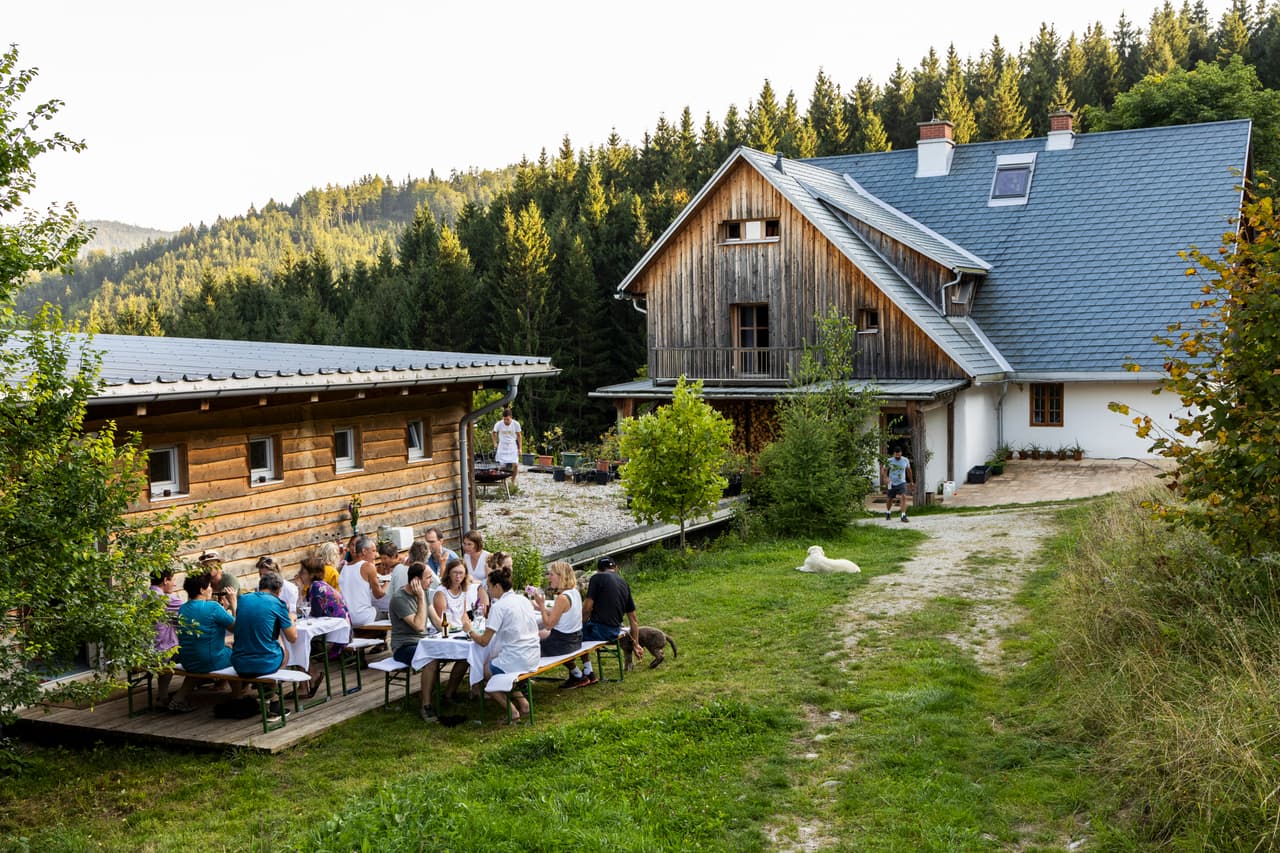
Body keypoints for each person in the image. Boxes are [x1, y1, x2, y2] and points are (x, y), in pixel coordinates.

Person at [461, 564, 541, 724]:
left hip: (518, 658)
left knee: (485, 671)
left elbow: (484, 641)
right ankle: (524, 704)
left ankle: (512, 711)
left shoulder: (499, 606)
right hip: (534, 654)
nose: (488, 591)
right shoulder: (523, 599)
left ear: (497, 586)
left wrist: (469, 630)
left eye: (489, 587)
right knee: (500, 669)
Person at [230, 572, 298, 713]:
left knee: (264, 640)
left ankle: (260, 694)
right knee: (282, 648)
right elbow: (293, 637)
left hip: (239, 663)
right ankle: (273, 701)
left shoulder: (243, 599)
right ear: (278, 590)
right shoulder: (278, 603)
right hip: (264, 664)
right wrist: (291, 619)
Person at [168, 572, 235, 712]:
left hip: (188, 660)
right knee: (237, 653)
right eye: (209, 586)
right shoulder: (213, 607)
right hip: (209, 661)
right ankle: (237, 696)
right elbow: (237, 629)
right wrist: (234, 604)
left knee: (206, 653)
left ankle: (178, 699)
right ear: (201, 590)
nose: (211, 589)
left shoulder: (182, 609)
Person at [432, 557, 489, 704]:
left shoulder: (462, 590)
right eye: (455, 573)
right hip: (445, 633)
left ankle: (476, 688)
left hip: (459, 631)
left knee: (480, 647)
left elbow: (463, 614)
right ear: (448, 574)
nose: (458, 576)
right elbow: (442, 618)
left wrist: (467, 625)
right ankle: (453, 692)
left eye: (461, 573)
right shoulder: (441, 592)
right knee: (468, 654)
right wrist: (461, 627)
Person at [577, 556, 641, 686]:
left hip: (600, 630)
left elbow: (587, 608)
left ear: (598, 570)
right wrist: (636, 644)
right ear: (616, 568)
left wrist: (579, 626)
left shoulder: (596, 578)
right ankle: (587, 672)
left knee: (570, 635)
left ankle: (582, 673)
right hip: (615, 630)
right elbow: (633, 620)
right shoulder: (624, 583)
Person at [388, 562, 435, 722]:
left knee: (456, 654)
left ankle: (449, 694)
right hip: (404, 646)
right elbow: (419, 626)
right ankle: (426, 705)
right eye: (428, 577)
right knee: (431, 660)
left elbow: (436, 620)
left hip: (424, 642)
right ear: (416, 580)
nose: (432, 581)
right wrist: (421, 597)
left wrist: (458, 631)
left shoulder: (426, 591)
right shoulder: (399, 599)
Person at [296, 557, 350, 695]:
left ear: (310, 573)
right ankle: (307, 681)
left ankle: (309, 680)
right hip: (339, 632)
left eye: (303, 571)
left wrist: (301, 590)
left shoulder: (316, 588)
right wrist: (301, 589)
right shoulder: (319, 585)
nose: (300, 573)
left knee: (297, 643)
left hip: (336, 638)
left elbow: (314, 613)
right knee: (298, 641)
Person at [532, 560, 585, 689]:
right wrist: (542, 609)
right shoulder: (574, 592)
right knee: (537, 635)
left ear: (561, 576)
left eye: (552, 574)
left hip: (563, 643)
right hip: (576, 638)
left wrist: (542, 606)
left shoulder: (562, 598)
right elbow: (563, 612)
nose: (549, 578)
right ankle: (577, 674)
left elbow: (549, 625)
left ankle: (522, 685)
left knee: (527, 649)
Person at [148, 569, 182, 706]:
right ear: (165, 581)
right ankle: (181, 696)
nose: (174, 584)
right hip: (161, 652)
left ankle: (163, 696)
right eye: (173, 580)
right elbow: (191, 609)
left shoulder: (144, 595)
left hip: (145, 651)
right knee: (198, 654)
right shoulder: (164, 599)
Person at [338, 535, 385, 627]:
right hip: (363, 617)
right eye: (373, 551)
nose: (376, 555)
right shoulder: (368, 566)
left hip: (347, 618)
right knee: (389, 613)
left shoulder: (344, 568)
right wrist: (388, 583)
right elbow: (378, 595)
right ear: (364, 551)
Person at [199, 550, 239, 616]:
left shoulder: (228, 579)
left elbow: (230, 604)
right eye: (205, 566)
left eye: (211, 565)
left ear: (219, 565)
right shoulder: (204, 581)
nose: (208, 569)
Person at [491, 408, 523, 486]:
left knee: (515, 465)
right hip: (502, 446)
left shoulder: (516, 424)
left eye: (507, 419)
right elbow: (493, 433)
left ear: (511, 417)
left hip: (512, 446)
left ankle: (513, 480)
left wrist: (520, 448)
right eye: (504, 419)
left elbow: (519, 436)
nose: (506, 421)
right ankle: (502, 482)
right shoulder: (499, 424)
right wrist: (495, 443)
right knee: (501, 465)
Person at [881, 446, 913, 523]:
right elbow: (884, 470)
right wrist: (886, 478)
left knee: (904, 497)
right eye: (896, 455)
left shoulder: (905, 460)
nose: (897, 457)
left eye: (898, 455)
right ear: (893, 454)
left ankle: (903, 515)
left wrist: (911, 481)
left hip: (902, 482)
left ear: (901, 453)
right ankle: (888, 512)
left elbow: (909, 471)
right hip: (891, 483)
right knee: (889, 499)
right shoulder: (889, 460)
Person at [374, 541, 405, 615]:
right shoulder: (383, 567)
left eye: (385, 558)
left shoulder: (401, 568)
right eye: (381, 558)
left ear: (394, 556)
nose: (382, 561)